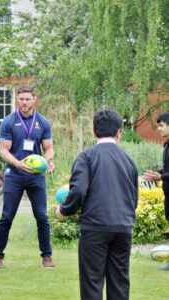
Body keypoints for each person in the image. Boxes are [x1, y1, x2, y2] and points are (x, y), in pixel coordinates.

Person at [56, 109, 138, 300]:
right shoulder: (129, 161)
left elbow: (77, 190)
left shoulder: (86, 156)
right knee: (119, 284)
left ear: (94, 132)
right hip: (123, 226)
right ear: (119, 132)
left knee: (92, 284)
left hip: (95, 227)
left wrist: (64, 211)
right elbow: (133, 198)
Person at [0, 85, 55, 269]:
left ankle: (47, 257)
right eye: (21, 99)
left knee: (42, 216)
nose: (24, 102)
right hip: (15, 175)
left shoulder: (43, 122)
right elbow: (4, 150)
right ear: (17, 100)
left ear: (34, 99)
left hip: (36, 176)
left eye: (28, 98)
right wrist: (18, 164)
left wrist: (47, 160)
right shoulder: (9, 122)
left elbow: (49, 148)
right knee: (7, 216)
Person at [143, 111, 169, 220]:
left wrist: (161, 177)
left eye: (161, 125)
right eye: (158, 126)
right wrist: (157, 173)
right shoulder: (167, 145)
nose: (158, 129)